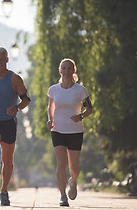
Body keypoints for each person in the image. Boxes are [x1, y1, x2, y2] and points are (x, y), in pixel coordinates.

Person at [0, 46, 31, 206]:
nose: (0, 62)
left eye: (3, 59)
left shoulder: (15, 79)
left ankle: (4, 190)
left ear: (7, 60)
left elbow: (26, 100)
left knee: (7, 160)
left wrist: (16, 108)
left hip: (9, 122)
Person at [47, 58, 92, 207]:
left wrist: (80, 117)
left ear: (74, 71)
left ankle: (73, 182)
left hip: (75, 131)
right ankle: (62, 196)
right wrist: (50, 120)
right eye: (64, 68)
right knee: (61, 163)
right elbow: (50, 107)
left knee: (74, 167)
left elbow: (89, 109)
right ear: (60, 71)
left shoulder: (80, 90)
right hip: (58, 130)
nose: (66, 71)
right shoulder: (53, 89)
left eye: (69, 68)